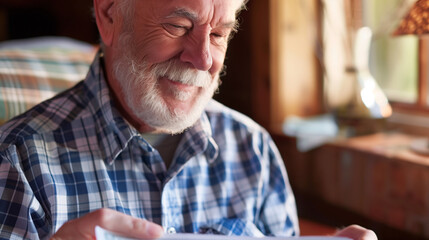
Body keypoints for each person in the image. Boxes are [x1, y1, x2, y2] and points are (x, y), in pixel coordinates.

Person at [0, 0, 377, 239]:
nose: (204, 59)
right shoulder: (16, 162)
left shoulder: (252, 147)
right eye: (178, 27)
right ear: (109, 14)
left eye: (218, 34)